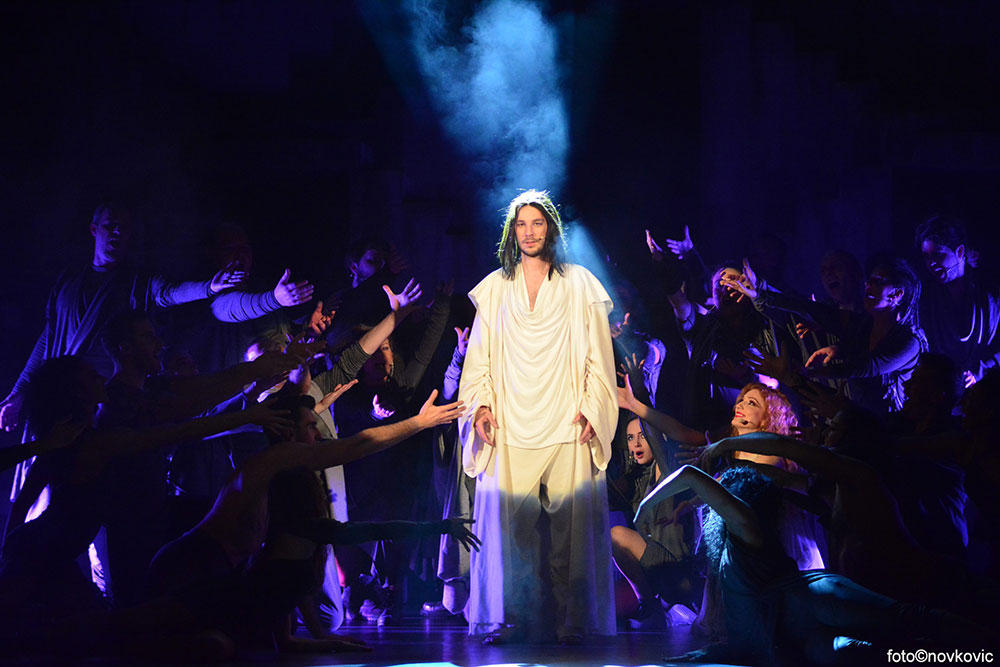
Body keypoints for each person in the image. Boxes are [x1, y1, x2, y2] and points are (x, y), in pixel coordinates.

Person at [458, 190, 619, 644]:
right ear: (511, 232)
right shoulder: (495, 288)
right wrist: (481, 405)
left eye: (537, 223)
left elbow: (599, 358)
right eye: (521, 224)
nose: (529, 232)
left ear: (551, 228)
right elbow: (479, 358)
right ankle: (510, 618)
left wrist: (594, 407)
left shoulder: (579, 283)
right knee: (510, 534)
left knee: (572, 533)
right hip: (509, 424)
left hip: (568, 421)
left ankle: (573, 620)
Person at [636, 465, 992, 665]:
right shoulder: (731, 547)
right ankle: (972, 658)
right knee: (880, 651)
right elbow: (745, 637)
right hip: (797, 633)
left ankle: (990, 646)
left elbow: (689, 474)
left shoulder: (748, 530)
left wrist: (645, 505)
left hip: (814, 598)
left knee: (909, 618)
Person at [914, 216, 1000, 386]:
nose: (931, 263)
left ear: (960, 252)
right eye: (926, 256)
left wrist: (980, 371)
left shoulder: (989, 296)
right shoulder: (928, 299)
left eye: (938, 254)